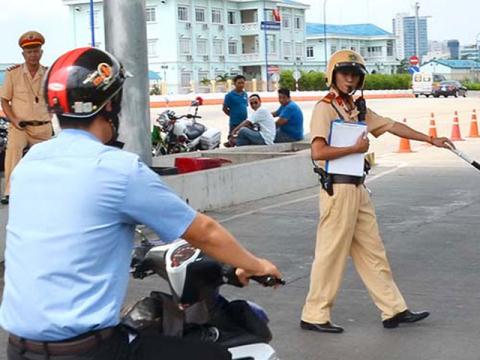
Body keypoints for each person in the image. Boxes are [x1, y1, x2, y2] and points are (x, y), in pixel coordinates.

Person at [0, 47, 282, 360]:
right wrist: (256, 265)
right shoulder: (117, 169)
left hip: (19, 348)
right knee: (214, 356)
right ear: (109, 105)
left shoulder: (29, 164)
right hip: (90, 351)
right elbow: (204, 231)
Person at [300, 49, 454, 334]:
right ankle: (314, 314)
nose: (350, 79)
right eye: (345, 73)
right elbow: (317, 151)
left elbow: (392, 125)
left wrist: (431, 139)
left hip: (358, 188)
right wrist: (354, 148)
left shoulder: (355, 108)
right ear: (333, 75)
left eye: (355, 75)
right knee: (330, 253)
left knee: (374, 252)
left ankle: (393, 309)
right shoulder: (325, 108)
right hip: (337, 189)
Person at [0, 31, 52, 205]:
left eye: (36, 50)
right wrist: (13, 120)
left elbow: (56, 98)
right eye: (29, 52)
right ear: (23, 54)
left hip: (43, 126)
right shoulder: (13, 74)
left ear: (41, 52)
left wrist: (52, 118)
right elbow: (4, 100)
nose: (33, 55)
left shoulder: (49, 74)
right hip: (19, 126)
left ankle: (46, 189)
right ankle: (10, 190)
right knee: (13, 150)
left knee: (47, 158)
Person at [223, 75, 248, 146]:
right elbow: (224, 109)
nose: (241, 85)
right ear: (234, 84)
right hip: (234, 123)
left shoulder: (245, 94)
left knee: (243, 140)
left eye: (242, 83)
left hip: (244, 122)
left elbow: (245, 106)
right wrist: (232, 115)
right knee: (232, 139)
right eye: (239, 83)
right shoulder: (229, 95)